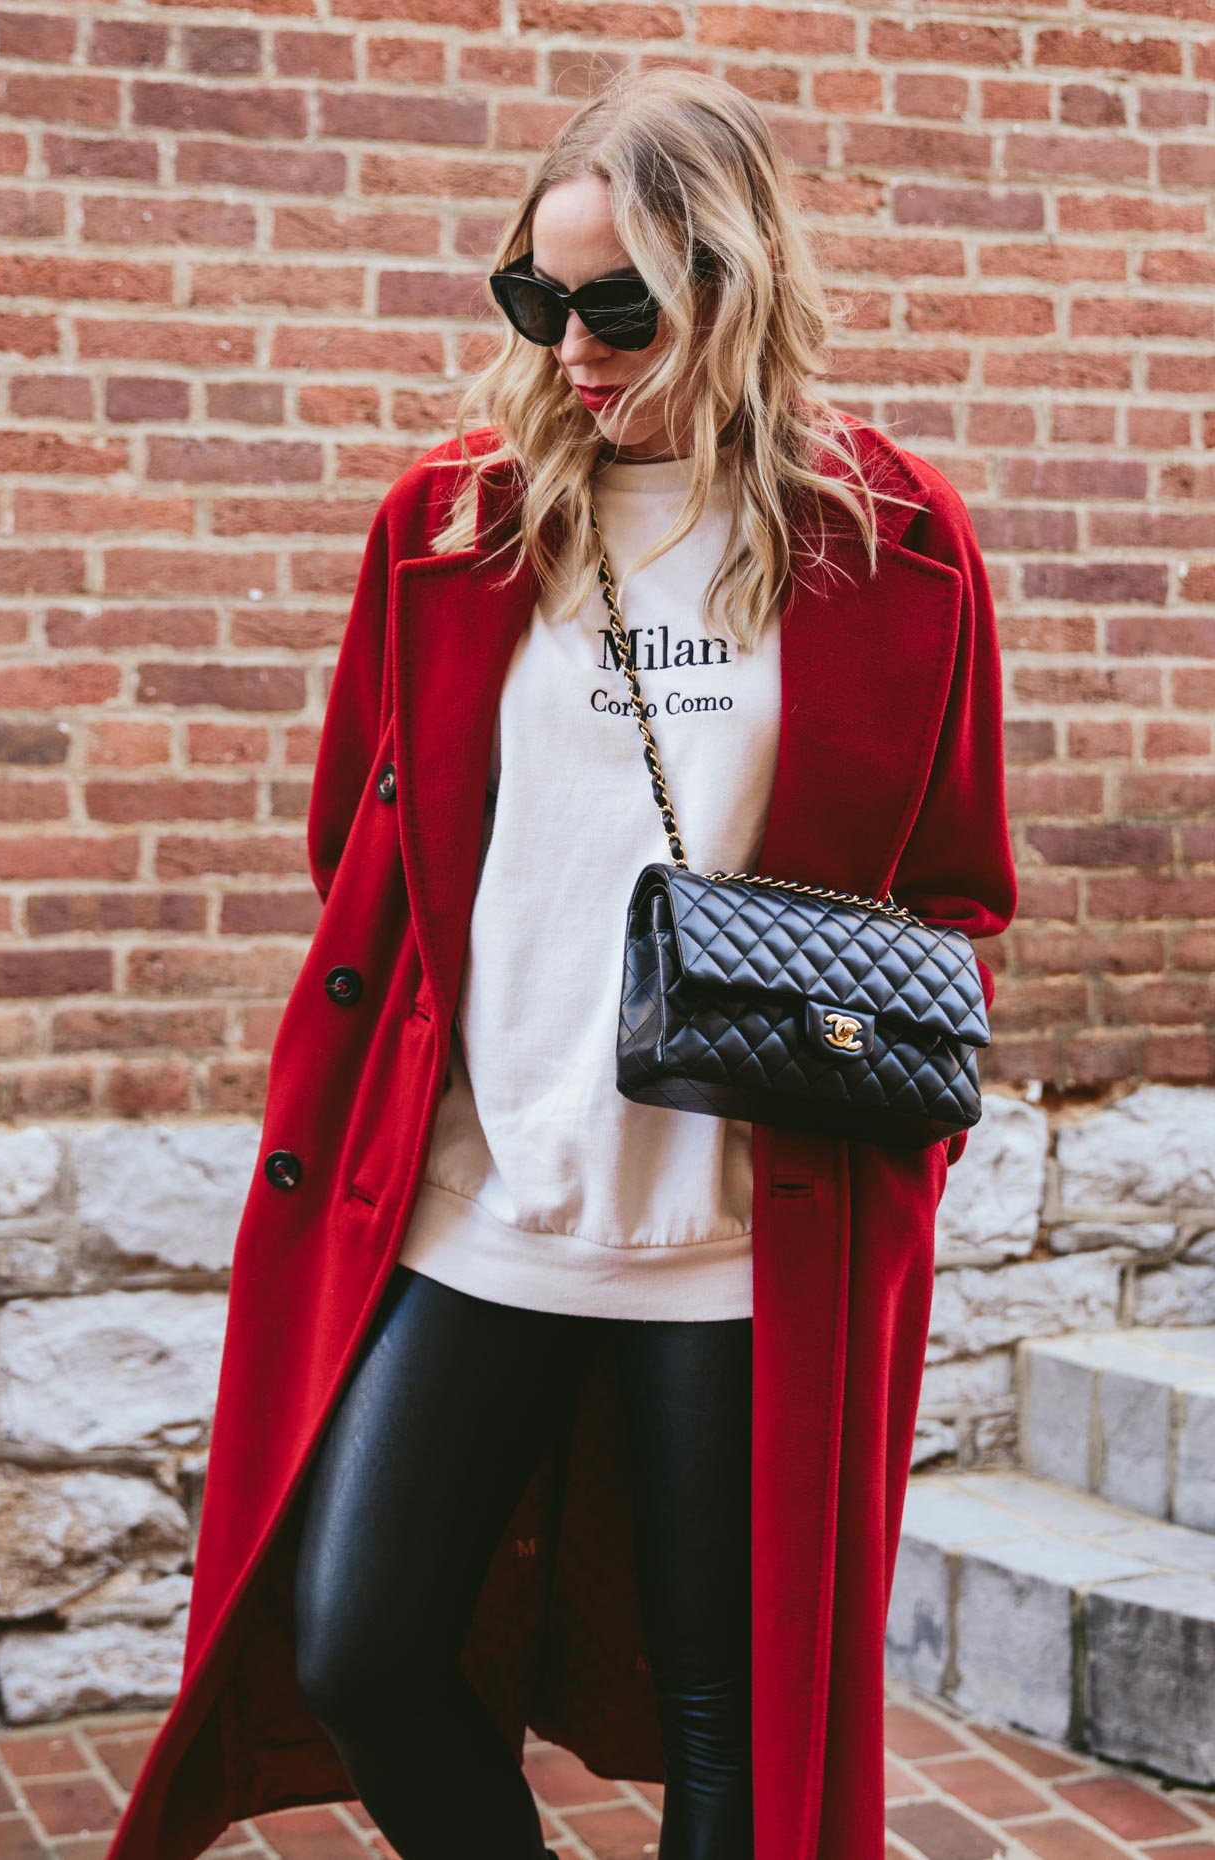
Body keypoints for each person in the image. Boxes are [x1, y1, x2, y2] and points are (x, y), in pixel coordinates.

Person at [105, 64, 1016, 1860]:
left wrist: (878, 1126)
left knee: (729, 1722)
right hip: (480, 1196)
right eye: (537, 296)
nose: (573, 347)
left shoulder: (890, 542)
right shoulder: (454, 521)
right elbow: (365, 857)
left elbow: (961, 885)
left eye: (620, 305)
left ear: (735, 290)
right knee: (359, 1641)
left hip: (754, 1229)